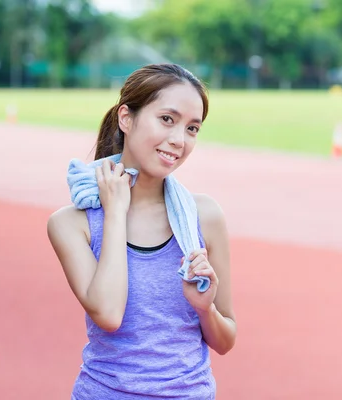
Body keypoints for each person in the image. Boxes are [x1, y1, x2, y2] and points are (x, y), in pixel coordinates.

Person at [47, 63, 237, 399]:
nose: (179, 140)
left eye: (192, 128)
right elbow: (108, 314)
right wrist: (116, 212)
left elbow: (225, 341)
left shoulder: (203, 217)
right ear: (126, 118)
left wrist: (206, 308)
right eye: (167, 119)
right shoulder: (72, 224)